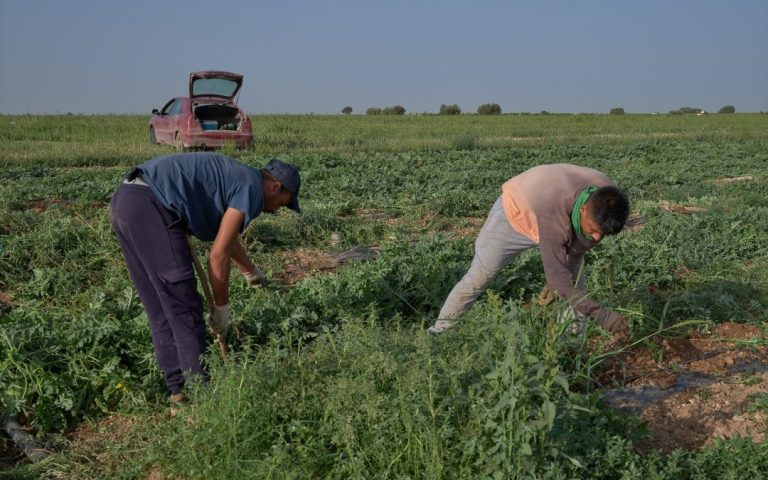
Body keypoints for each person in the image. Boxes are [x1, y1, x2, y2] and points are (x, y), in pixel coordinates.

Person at [110, 152, 301, 412]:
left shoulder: (240, 177)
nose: (275, 210)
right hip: (153, 207)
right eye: (281, 203)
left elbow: (227, 238)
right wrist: (222, 308)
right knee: (185, 309)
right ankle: (201, 400)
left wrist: (250, 271)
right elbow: (218, 254)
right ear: (275, 186)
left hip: (128, 201)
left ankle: (179, 396)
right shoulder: (252, 189)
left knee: (162, 308)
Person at [427, 163, 629, 336]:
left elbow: (576, 250)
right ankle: (440, 331)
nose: (597, 238)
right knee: (480, 274)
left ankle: (571, 343)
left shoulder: (609, 201)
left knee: (575, 283)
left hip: (556, 214)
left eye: (602, 234)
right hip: (515, 215)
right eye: (593, 230)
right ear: (583, 209)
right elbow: (559, 275)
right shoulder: (553, 208)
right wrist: (602, 315)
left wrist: (561, 278)